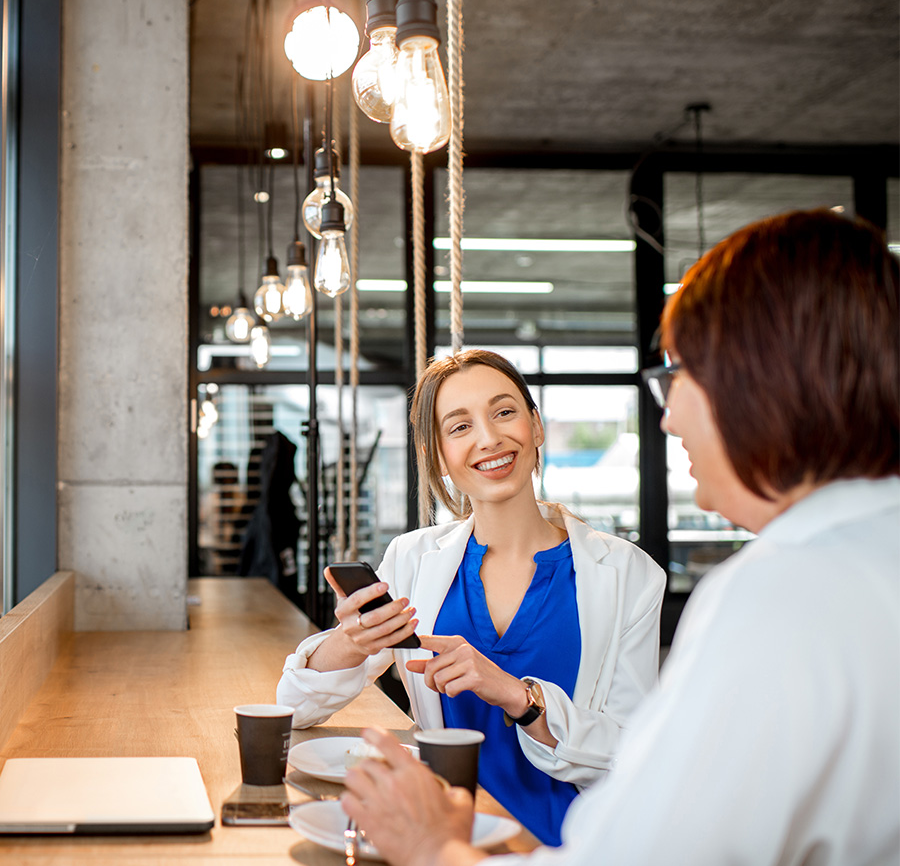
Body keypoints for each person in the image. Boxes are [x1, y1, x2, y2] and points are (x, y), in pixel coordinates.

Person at [338, 209, 900, 866]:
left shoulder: (777, 595)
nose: (669, 416)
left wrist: (433, 848)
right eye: (458, 427)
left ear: (766, 381)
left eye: (681, 375)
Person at [277, 349, 666, 846]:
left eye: (504, 412)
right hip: (444, 839)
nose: (489, 438)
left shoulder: (628, 574)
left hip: (567, 846)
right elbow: (294, 709)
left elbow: (633, 754)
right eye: (459, 427)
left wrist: (519, 698)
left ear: (536, 426)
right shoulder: (414, 560)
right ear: (437, 456)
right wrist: (352, 642)